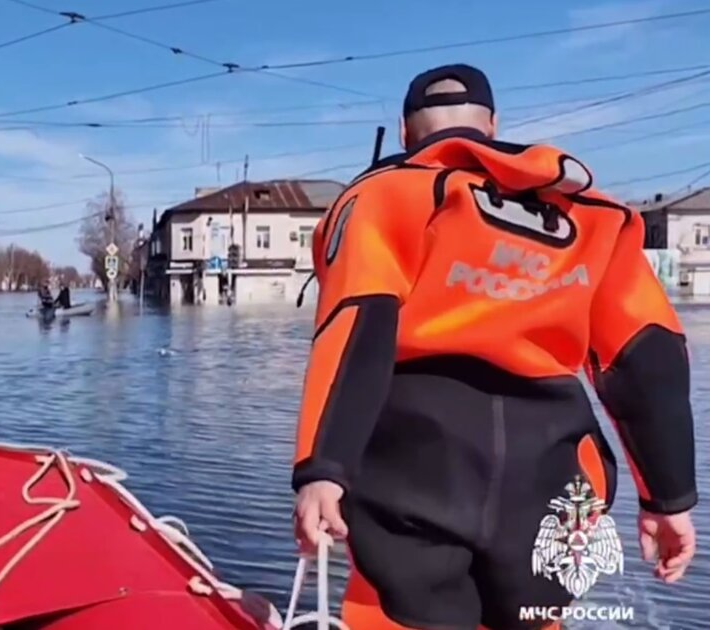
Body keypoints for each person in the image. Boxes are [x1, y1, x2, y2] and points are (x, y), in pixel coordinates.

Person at [292, 64, 697, 630]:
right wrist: (669, 498)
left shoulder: (385, 195)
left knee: (403, 616)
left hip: (414, 471)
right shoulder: (596, 216)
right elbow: (647, 358)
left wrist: (323, 468)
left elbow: (356, 326)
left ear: (406, 134)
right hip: (558, 473)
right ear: (493, 125)